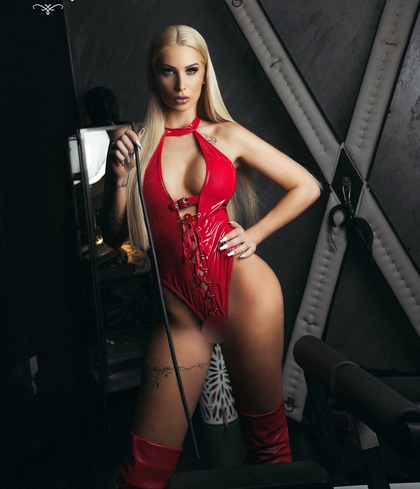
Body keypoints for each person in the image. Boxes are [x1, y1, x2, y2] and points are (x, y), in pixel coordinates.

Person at [101, 25, 321, 488]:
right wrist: (119, 174)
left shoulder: (228, 135)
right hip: (181, 315)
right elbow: (114, 234)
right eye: (168, 71)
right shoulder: (133, 142)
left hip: (247, 294)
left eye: (191, 70)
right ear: (153, 76)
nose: (181, 85)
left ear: (205, 74)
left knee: (269, 445)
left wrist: (254, 234)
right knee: (142, 471)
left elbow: (308, 185)